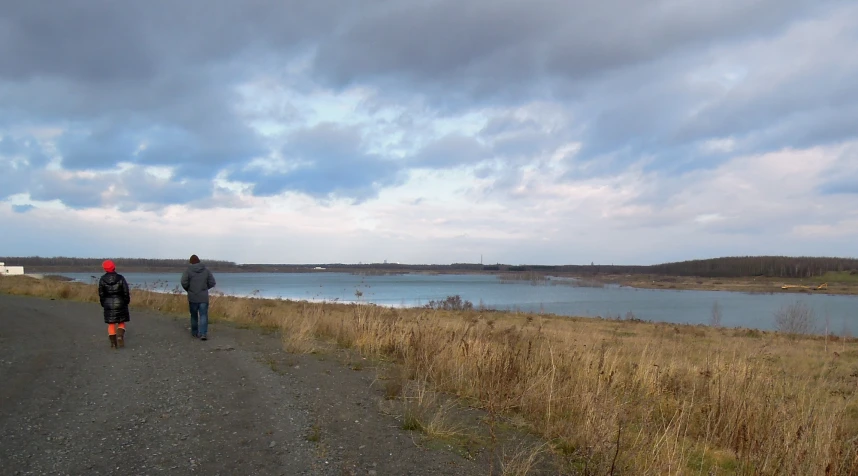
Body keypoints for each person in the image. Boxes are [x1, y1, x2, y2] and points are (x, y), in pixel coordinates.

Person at [180, 254, 216, 340]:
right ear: (199, 261)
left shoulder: (188, 271)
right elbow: (212, 282)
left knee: (194, 315)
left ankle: (195, 333)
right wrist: (205, 288)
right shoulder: (206, 271)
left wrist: (189, 289)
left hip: (192, 296)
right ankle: (203, 334)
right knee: (203, 315)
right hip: (203, 297)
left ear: (191, 262)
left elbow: (183, 282)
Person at [98, 260, 131, 349]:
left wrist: (103, 303)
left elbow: (101, 293)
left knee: (111, 324)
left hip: (108, 303)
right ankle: (120, 336)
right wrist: (126, 301)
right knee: (121, 321)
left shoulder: (102, 279)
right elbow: (125, 291)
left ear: (105, 268)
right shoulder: (120, 278)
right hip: (120, 302)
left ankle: (113, 344)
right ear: (114, 267)